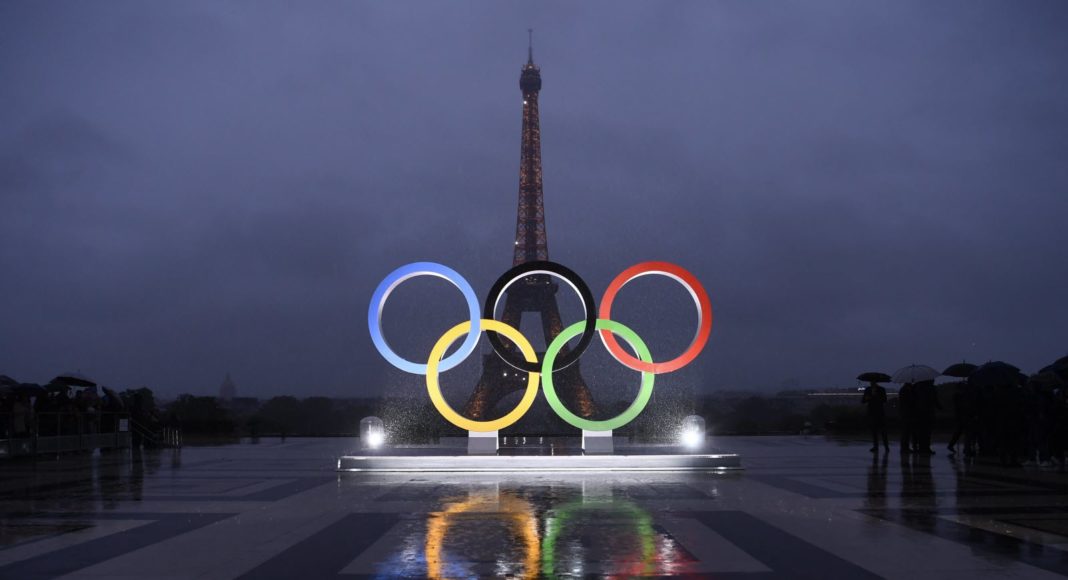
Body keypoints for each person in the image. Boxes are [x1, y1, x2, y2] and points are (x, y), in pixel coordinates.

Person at [861, 380, 889, 453]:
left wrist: (875, 396)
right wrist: (868, 398)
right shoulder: (868, 389)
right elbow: (863, 400)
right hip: (872, 412)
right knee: (874, 431)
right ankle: (876, 446)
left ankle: (886, 447)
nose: (871, 383)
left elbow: (885, 400)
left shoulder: (881, 389)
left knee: (883, 431)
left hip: (880, 412)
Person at [898, 382, 917, 454]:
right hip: (907, 413)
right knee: (906, 432)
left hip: (905, 413)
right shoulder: (906, 390)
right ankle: (905, 448)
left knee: (906, 432)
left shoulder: (904, 390)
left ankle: (905, 447)